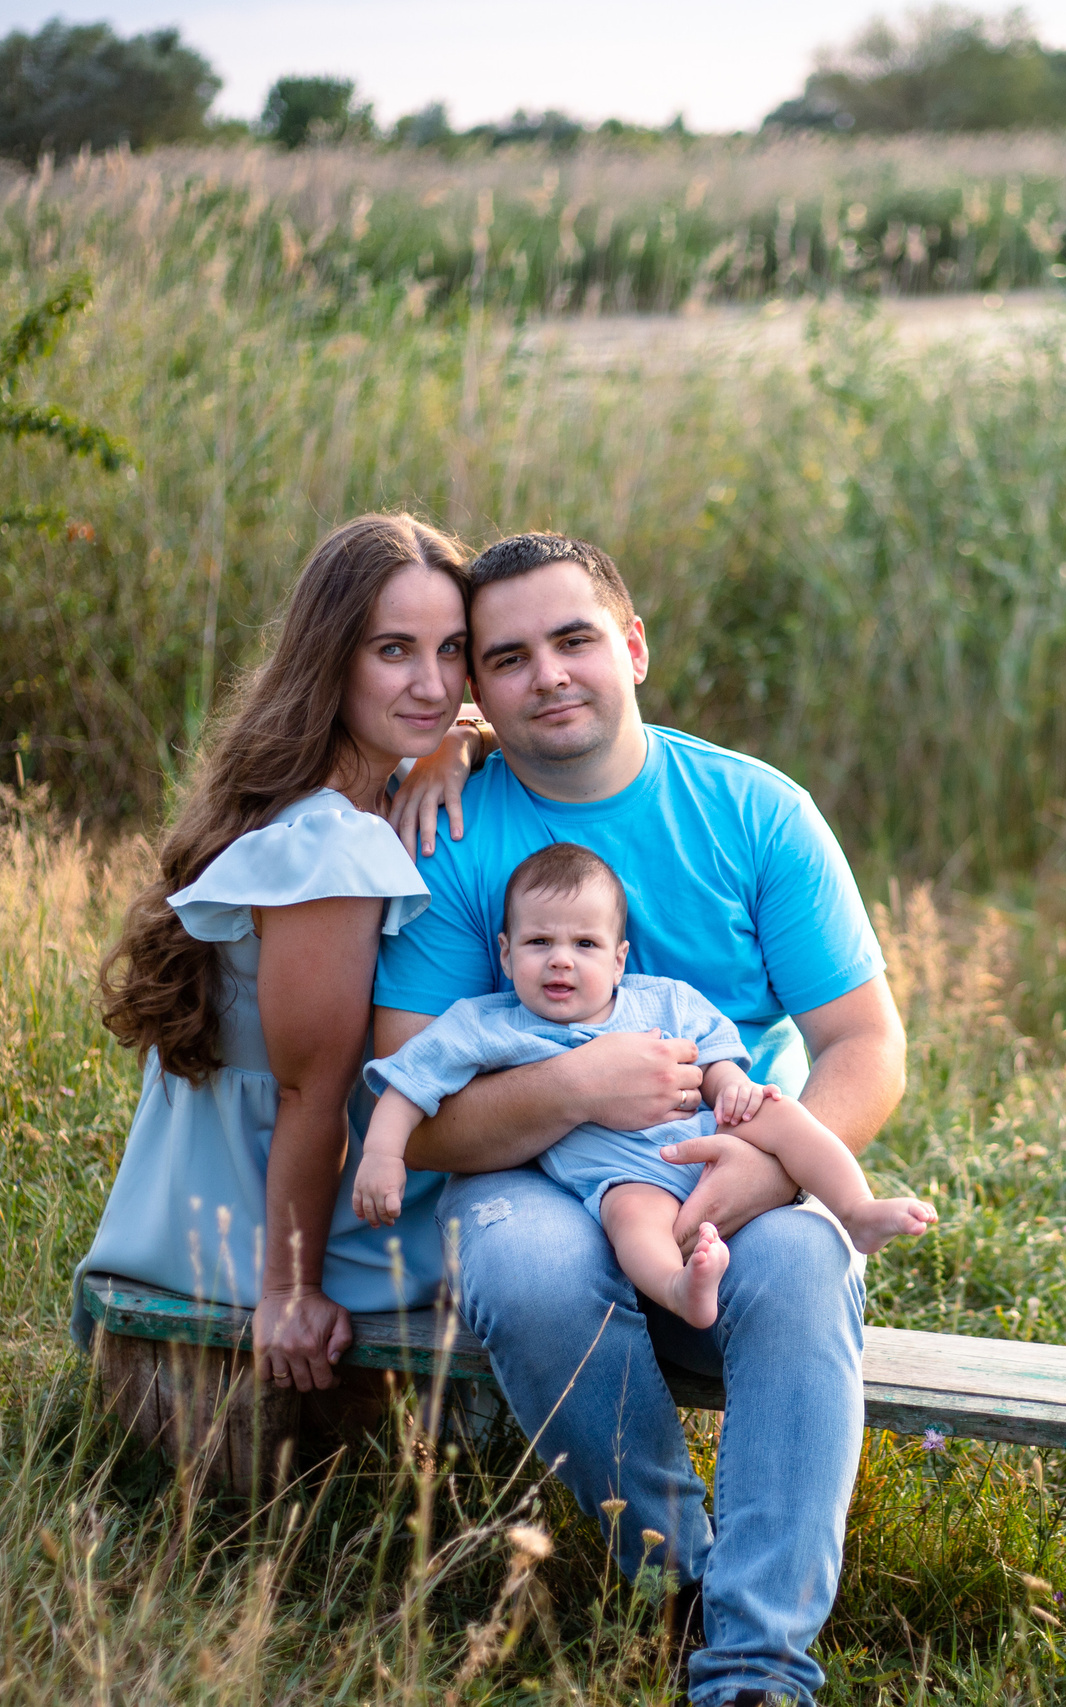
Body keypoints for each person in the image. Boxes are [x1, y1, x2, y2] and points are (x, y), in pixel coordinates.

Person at [371, 532, 906, 1707]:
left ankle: (756, 1668)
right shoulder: (452, 833)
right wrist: (573, 1090)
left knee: (805, 1266)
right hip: (530, 1164)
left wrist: (768, 1171)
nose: (549, 674)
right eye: (507, 658)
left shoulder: (755, 813)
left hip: (727, 1151)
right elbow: (425, 1115)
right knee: (528, 1271)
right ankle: (675, 1579)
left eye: (575, 639)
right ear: (478, 692)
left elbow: (865, 1047)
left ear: (634, 646)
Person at [76, 513, 481, 1393]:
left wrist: (460, 740)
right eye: (394, 651)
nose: (433, 683)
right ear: (331, 656)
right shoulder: (329, 848)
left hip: (224, 1182)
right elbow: (311, 1091)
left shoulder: (344, 785)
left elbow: (453, 714)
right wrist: (290, 1291)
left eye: (453, 650)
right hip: (254, 1225)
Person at [354, 842, 934, 1328]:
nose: (561, 961)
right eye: (538, 944)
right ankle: (679, 1289)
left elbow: (716, 1054)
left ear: (619, 958)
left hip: (714, 1143)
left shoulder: (662, 1000)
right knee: (630, 1218)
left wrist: (731, 1085)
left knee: (780, 1114)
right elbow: (409, 1081)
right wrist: (382, 1154)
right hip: (624, 1174)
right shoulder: (487, 1024)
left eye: (585, 945)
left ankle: (856, 1208)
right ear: (505, 955)